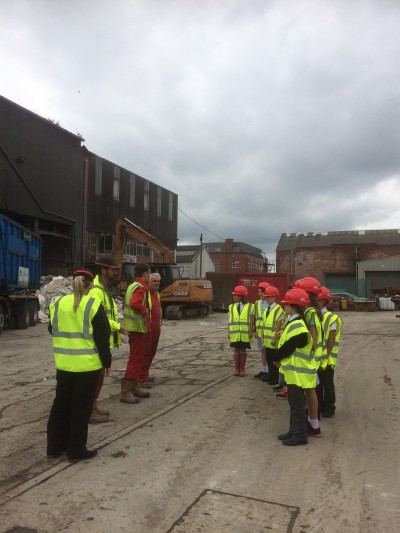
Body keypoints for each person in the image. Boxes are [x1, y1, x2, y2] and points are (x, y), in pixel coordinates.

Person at [47, 269, 111, 461]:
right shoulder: (93, 304)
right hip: (87, 366)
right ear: (90, 285)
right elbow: (102, 338)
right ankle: (76, 449)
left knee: (60, 405)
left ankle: (54, 448)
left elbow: (52, 329)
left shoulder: (57, 304)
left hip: (64, 364)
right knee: (80, 408)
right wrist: (106, 362)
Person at [88, 256, 128, 422]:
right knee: (95, 380)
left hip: (103, 340)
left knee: (99, 379)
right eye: (112, 270)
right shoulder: (96, 291)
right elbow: (99, 319)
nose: (115, 272)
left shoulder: (104, 288)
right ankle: (90, 411)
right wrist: (118, 326)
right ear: (103, 270)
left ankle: (93, 407)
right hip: (97, 343)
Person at [273, 288, 315, 446]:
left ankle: (300, 434)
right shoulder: (294, 323)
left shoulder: (298, 326)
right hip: (294, 372)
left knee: (297, 404)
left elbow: (288, 347)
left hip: (298, 373)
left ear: (293, 306)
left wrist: (276, 357)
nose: (284, 307)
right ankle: (293, 429)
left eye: (286, 304)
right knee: (293, 403)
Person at [294, 277, 323, 438]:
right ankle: (313, 423)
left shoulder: (309, 312)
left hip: (308, 359)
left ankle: (313, 424)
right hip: (311, 358)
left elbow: (312, 339)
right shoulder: (313, 311)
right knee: (310, 391)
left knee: (309, 391)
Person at [120, 263, 151, 403]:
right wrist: (145, 310)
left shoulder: (131, 286)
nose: (149, 276)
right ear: (145, 274)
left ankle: (134, 387)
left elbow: (124, 304)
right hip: (137, 328)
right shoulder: (140, 287)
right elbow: (134, 303)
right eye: (149, 274)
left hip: (133, 327)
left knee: (136, 359)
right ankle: (126, 391)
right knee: (135, 359)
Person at [317, 287, 343, 418]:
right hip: (318, 357)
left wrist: (326, 356)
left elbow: (331, 339)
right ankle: (320, 405)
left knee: (327, 383)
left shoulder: (331, 318)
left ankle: (329, 407)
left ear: (323, 301)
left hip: (327, 358)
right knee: (318, 383)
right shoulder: (316, 315)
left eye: (316, 299)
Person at [139, 272, 162, 385]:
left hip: (156, 328)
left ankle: (145, 374)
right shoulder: (144, 293)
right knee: (145, 352)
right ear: (148, 281)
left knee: (151, 352)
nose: (156, 283)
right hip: (147, 328)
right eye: (154, 281)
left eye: (158, 281)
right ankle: (141, 377)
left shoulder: (157, 294)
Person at [228, 285, 254, 377]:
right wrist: (229, 331)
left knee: (243, 350)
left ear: (240, 296)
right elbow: (230, 320)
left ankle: (242, 369)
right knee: (236, 350)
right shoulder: (231, 307)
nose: (233, 297)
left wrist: (251, 331)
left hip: (244, 333)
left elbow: (251, 320)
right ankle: (237, 368)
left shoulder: (250, 306)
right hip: (235, 333)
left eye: (235, 295)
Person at [261, 285, 285, 386]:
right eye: (266, 297)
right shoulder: (267, 309)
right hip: (267, 340)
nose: (267, 299)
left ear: (275, 297)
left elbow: (278, 325)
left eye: (269, 297)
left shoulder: (278, 309)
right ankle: (271, 375)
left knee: (275, 360)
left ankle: (276, 378)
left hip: (274, 340)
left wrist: (275, 338)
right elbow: (263, 324)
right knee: (269, 359)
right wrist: (262, 336)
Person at [253, 282, 270, 380]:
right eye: (259, 292)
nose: (260, 294)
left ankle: (268, 371)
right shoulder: (257, 303)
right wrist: (255, 331)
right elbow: (255, 318)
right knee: (262, 352)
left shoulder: (269, 304)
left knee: (267, 352)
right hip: (259, 332)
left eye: (262, 292)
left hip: (267, 333)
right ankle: (263, 370)